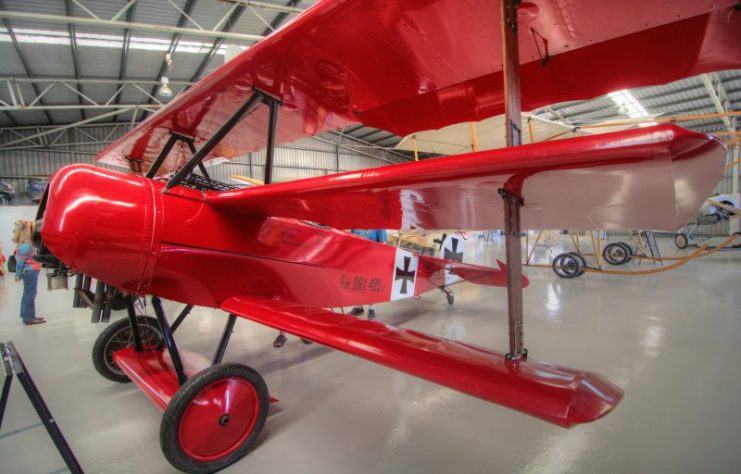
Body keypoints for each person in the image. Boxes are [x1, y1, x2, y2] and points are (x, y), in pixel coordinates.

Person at [348, 229, 388, 320]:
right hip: (358, 257)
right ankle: (358, 307)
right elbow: (351, 239)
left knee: (370, 283)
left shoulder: (380, 224)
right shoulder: (356, 224)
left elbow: (383, 244)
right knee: (357, 282)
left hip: (372, 258)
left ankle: (371, 308)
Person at [15, 242, 45, 325]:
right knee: (30, 294)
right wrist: (17, 274)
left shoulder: (25, 245)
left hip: (30, 271)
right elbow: (20, 261)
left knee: (27, 294)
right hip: (30, 271)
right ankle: (28, 318)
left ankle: (28, 316)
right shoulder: (26, 245)